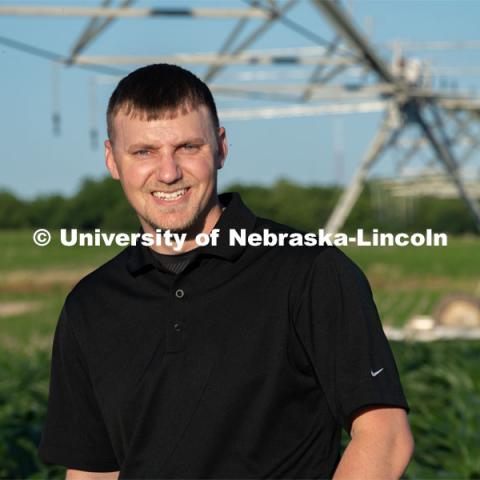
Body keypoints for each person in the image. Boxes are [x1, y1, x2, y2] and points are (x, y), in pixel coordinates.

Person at [39, 63, 413, 479]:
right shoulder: (91, 304)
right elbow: (94, 471)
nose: (168, 172)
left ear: (220, 147)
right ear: (112, 160)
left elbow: (384, 435)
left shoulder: (307, 270)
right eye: (143, 152)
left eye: (187, 147)